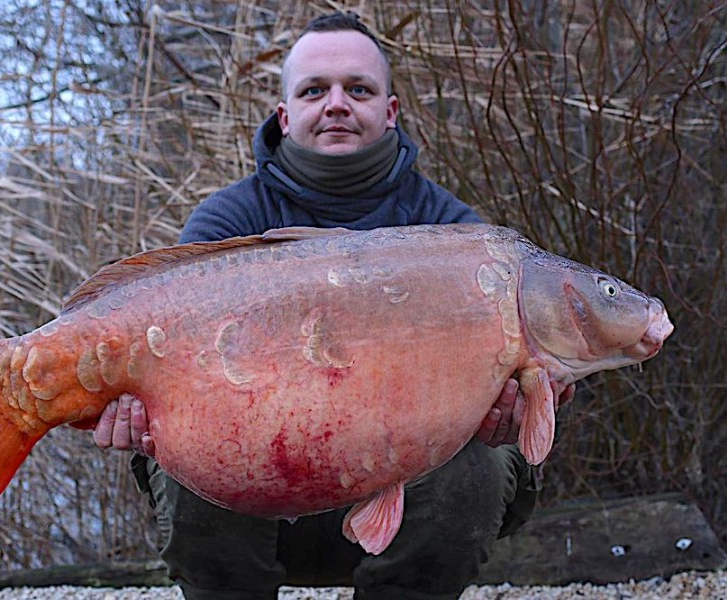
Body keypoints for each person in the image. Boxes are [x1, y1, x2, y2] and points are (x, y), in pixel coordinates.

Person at [91, 12, 572, 599]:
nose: (337, 103)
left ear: (389, 111)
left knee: (477, 460)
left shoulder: (453, 234)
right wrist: (133, 408)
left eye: (359, 89)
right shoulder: (227, 223)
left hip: (408, 506)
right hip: (257, 499)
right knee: (184, 451)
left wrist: (504, 414)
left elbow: (525, 387)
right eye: (315, 90)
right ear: (285, 114)